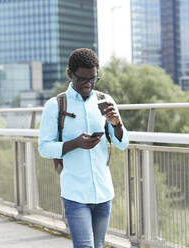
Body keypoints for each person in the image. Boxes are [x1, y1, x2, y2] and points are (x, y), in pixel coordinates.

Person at [38, 48, 129, 248]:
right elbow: (44, 148)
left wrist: (116, 124)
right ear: (70, 74)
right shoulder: (56, 105)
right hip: (75, 193)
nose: (88, 84)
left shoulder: (105, 101)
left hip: (104, 192)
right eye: (83, 79)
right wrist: (75, 143)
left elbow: (123, 143)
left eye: (93, 79)